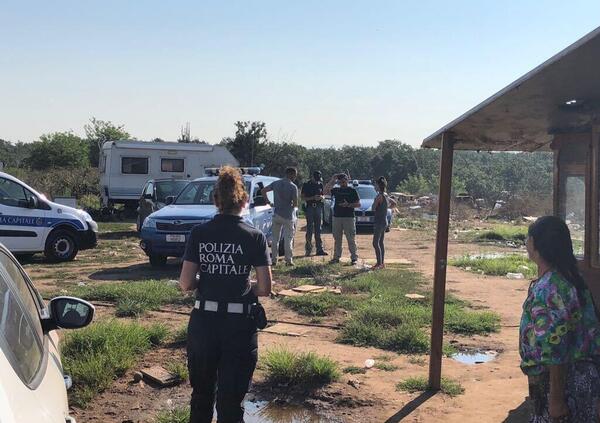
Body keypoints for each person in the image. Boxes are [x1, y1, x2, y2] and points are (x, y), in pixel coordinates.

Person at [179, 166, 272, 423]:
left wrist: (211, 281)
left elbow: (185, 283)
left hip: (203, 324)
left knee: (201, 399)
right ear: (244, 201)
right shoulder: (254, 236)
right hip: (239, 326)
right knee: (231, 404)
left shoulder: (199, 233)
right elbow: (264, 288)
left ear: (215, 200)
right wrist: (241, 287)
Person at [520, 216, 600, 422]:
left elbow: (555, 349)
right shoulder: (570, 278)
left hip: (562, 384)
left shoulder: (550, 289)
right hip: (582, 380)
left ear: (539, 245)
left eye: (529, 237)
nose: (526, 242)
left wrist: (555, 399)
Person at [262, 167, 298, 266]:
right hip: (288, 216)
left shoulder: (276, 183)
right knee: (288, 238)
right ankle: (288, 260)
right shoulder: (293, 186)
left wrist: (268, 202)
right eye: (295, 174)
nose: (295, 177)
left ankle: (273, 260)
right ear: (291, 174)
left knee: (275, 239)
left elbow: (263, 190)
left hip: (276, 214)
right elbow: (295, 204)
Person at [324, 173, 360, 265]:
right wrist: (332, 180)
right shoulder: (336, 190)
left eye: (344, 181)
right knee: (337, 239)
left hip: (349, 217)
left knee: (351, 238)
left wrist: (348, 205)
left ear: (347, 181)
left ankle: (354, 258)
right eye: (340, 181)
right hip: (337, 217)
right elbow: (325, 191)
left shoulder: (352, 190)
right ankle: (336, 257)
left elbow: (358, 204)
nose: (342, 183)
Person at [301, 170, 328, 257]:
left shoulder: (320, 184)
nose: (317, 180)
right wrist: (313, 197)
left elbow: (323, 194)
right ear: (312, 176)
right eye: (316, 178)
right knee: (309, 229)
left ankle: (319, 249)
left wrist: (321, 197)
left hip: (319, 207)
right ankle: (308, 250)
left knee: (318, 229)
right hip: (310, 208)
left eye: (318, 178)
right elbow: (303, 197)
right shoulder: (306, 185)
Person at [371, 176, 396, 269]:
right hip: (384, 221)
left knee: (375, 243)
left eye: (375, 184)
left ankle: (379, 263)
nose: (374, 186)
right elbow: (394, 203)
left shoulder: (379, 196)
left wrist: (376, 204)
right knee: (380, 242)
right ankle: (382, 263)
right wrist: (386, 208)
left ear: (378, 186)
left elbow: (373, 208)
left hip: (379, 221)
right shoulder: (386, 195)